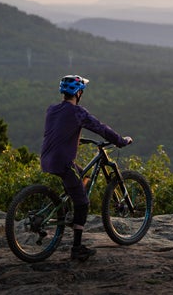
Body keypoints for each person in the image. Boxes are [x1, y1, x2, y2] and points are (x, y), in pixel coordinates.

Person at [40, 74, 132, 261]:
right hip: (63, 162)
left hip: (47, 158)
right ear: (79, 93)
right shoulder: (78, 112)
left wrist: (74, 138)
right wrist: (121, 141)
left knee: (81, 174)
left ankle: (68, 209)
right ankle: (77, 248)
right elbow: (101, 128)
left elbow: (57, 130)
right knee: (83, 203)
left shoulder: (52, 109)